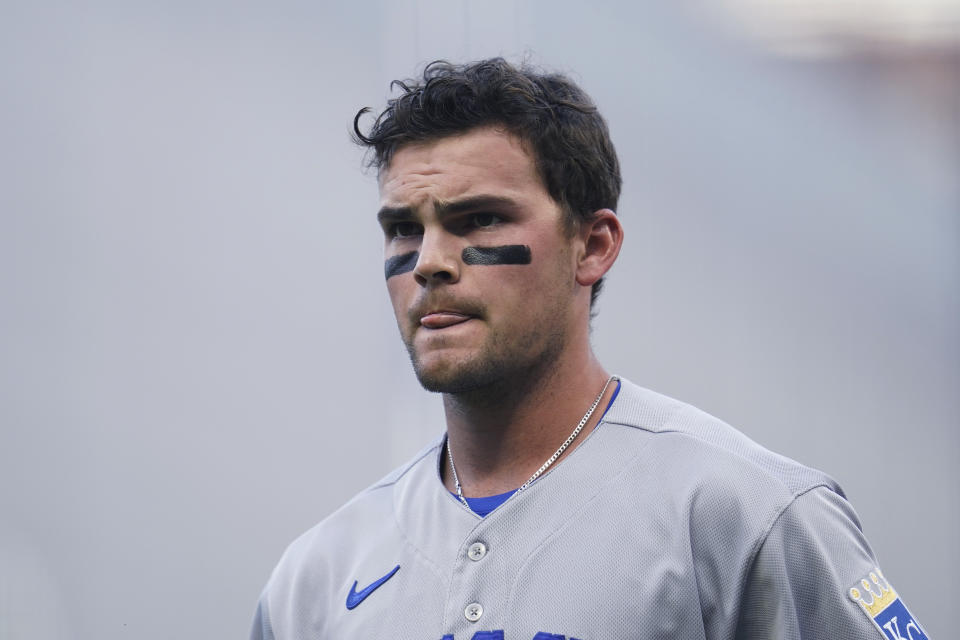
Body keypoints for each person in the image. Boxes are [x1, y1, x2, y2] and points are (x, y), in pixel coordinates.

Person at [250, 58, 928, 640]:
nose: (429, 262)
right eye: (403, 229)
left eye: (477, 218)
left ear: (593, 246)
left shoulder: (741, 513)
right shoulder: (318, 575)